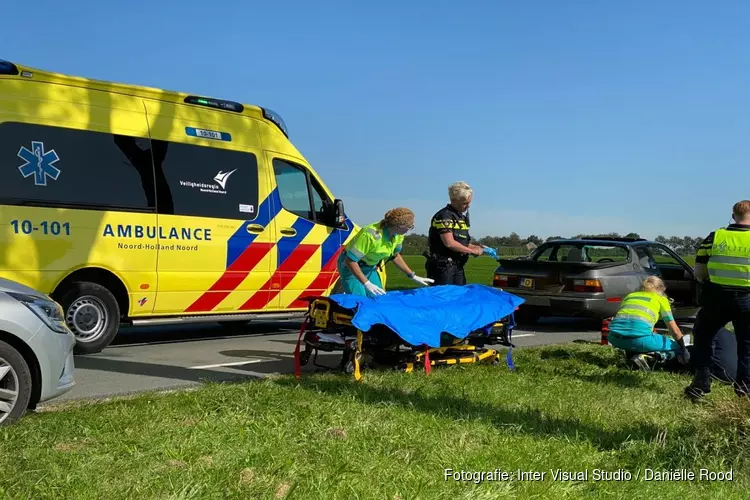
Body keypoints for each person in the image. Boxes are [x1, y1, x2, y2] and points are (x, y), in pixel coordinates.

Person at [685, 200, 750, 400]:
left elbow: (700, 271)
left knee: (704, 335)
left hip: (717, 297)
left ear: (733, 216)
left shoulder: (715, 237)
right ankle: (744, 391)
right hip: (747, 299)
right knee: (747, 345)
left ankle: (701, 382)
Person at [337, 207, 433, 297]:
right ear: (399, 226)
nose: (410, 229)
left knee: (378, 298)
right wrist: (367, 283)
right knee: (359, 301)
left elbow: (394, 256)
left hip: (369, 268)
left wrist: (412, 275)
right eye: (410, 227)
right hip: (351, 268)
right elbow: (350, 261)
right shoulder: (370, 234)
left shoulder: (398, 235)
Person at [607, 276, 690, 371]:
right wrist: (683, 349)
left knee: (637, 334)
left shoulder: (630, 296)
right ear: (660, 289)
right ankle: (652, 358)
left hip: (614, 338)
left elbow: (628, 324)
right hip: (639, 341)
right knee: (675, 346)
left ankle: (632, 356)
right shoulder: (661, 299)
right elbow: (675, 330)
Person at [424, 181, 492, 285]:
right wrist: (471, 251)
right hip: (443, 268)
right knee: (445, 298)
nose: (468, 206)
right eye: (465, 203)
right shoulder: (445, 216)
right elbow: (449, 243)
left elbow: (461, 243)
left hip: (457, 265)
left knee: (459, 297)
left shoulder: (460, 217)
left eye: (469, 202)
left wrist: (477, 247)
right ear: (454, 201)